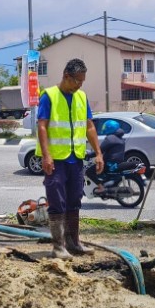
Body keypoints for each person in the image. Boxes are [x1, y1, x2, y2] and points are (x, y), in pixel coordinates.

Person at [37, 58, 103, 259]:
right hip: (56, 160)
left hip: (76, 159)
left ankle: (74, 242)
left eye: (82, 81)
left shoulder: (81, 97)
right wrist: (46, 156)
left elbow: (89, 126)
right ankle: (58, 246)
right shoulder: (49, 96)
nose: (80, 85)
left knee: (75, 199)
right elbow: (42, 126)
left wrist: (98, 152)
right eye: (77, 81)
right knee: (57, 201)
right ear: (67, 76)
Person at [86, 119, 132, 193]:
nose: (104, 129)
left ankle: (101, 188)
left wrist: (89, 155)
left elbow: (100, 150)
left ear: (110, 128)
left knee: (89, 172)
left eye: (105, 127)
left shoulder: (110, 138)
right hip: (116, 163)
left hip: (109, 164)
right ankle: (105, 184)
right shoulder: (120, 138)